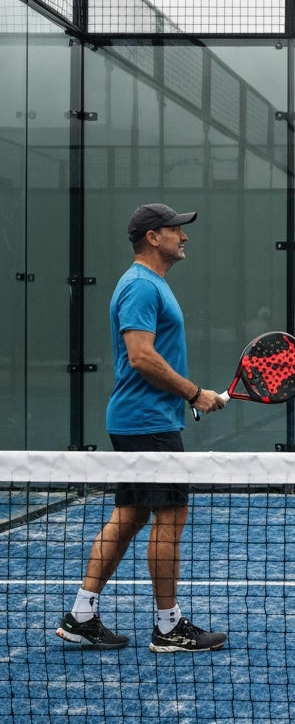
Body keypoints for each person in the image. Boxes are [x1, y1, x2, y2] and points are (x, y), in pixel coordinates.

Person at [55, 204, 227, 652]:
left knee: (130, 516)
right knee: (171, 516)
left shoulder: (152, 285)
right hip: (146, 422)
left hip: (144, 419)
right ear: (153, 237)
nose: (183, 237)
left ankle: (81, 615)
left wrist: (190, 395)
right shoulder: (139, 286)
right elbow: (141, 356)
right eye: (176, 230)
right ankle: (169, 628)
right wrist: (193, 393)